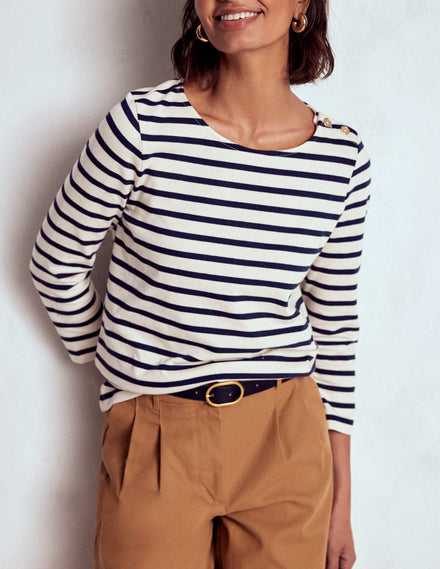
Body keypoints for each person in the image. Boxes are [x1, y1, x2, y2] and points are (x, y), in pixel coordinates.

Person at [29, 0, 371, 568]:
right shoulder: (140, 127)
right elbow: (55, 260)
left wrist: (342, 503)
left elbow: (335, 327)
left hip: (288, 435)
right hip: (158, 434)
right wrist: (117, 362)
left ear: (302, 6)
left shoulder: (342, 157)